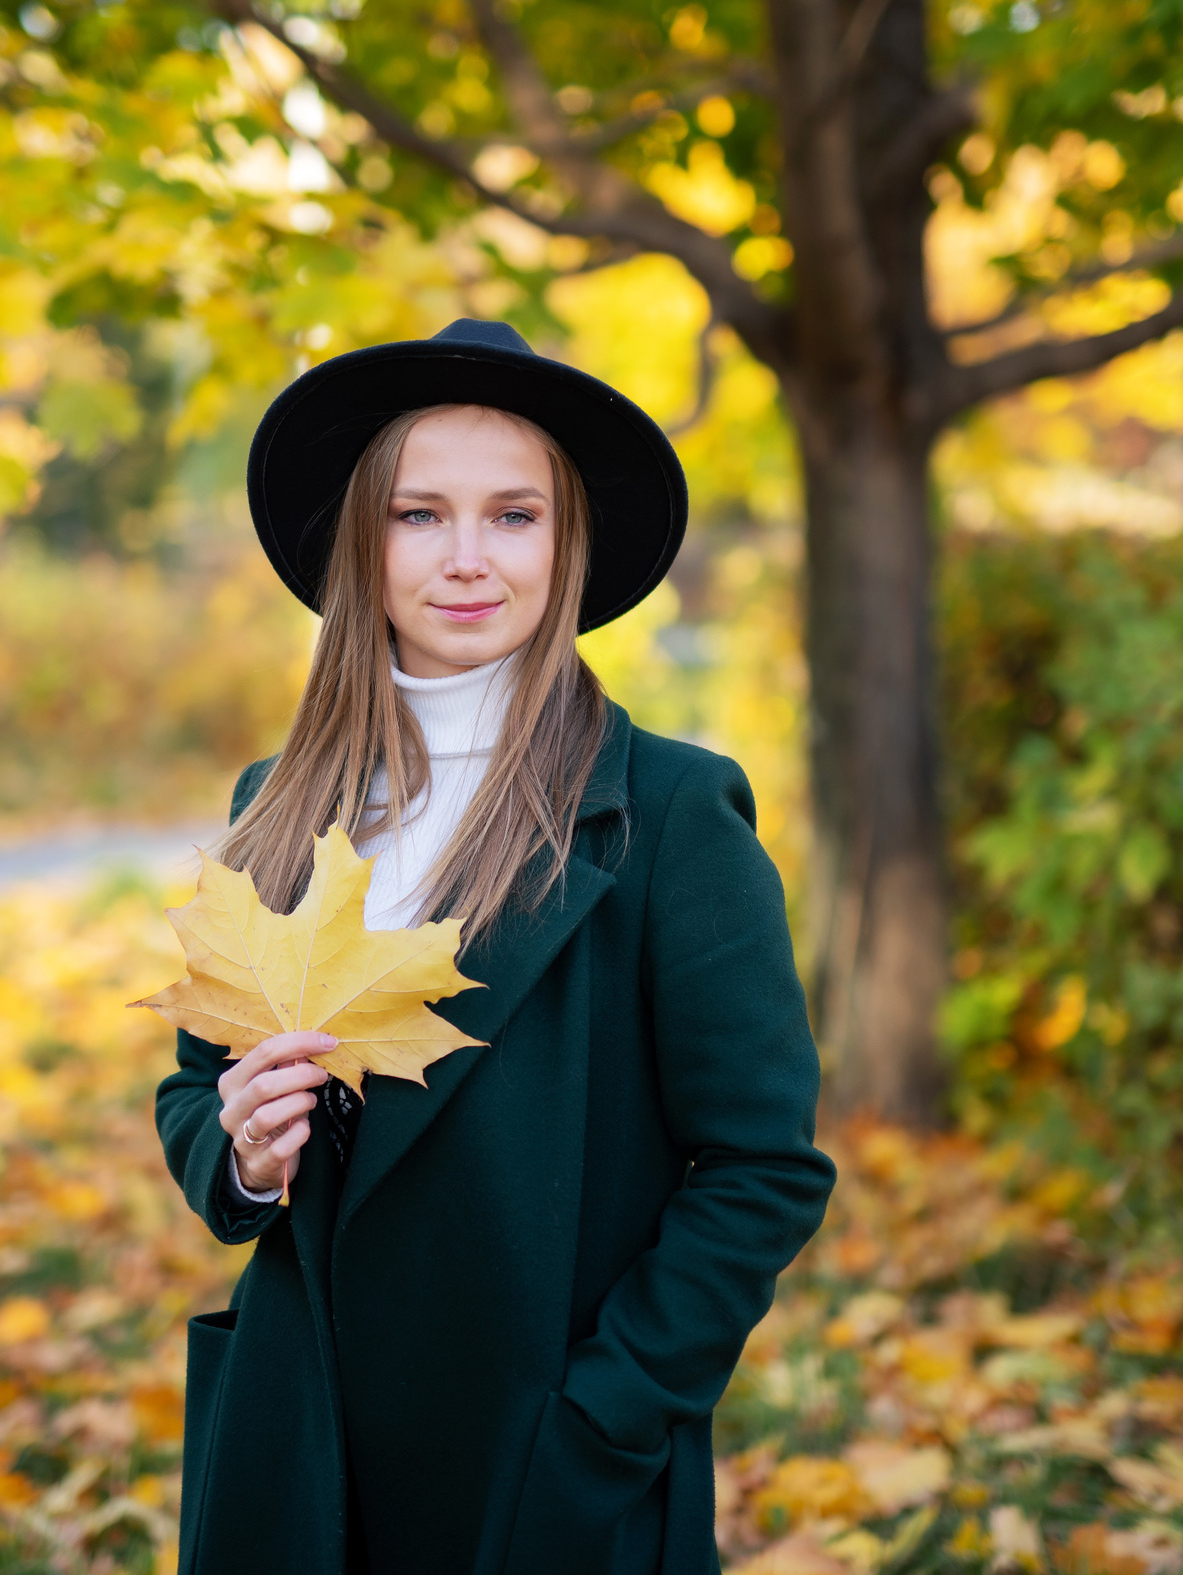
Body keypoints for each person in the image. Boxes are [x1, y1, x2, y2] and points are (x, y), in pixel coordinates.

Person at [156, 318, 835, 1575]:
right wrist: (242, 1158)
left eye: (513, 516)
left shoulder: (669, 814)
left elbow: (760, 1167)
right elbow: (197, 1092)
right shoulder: (282, 798)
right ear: (362, 543)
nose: (467, 558)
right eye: (420, 515)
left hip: (536, 1459)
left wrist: (603, 1419)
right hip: (301, 1441)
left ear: (567, 545)